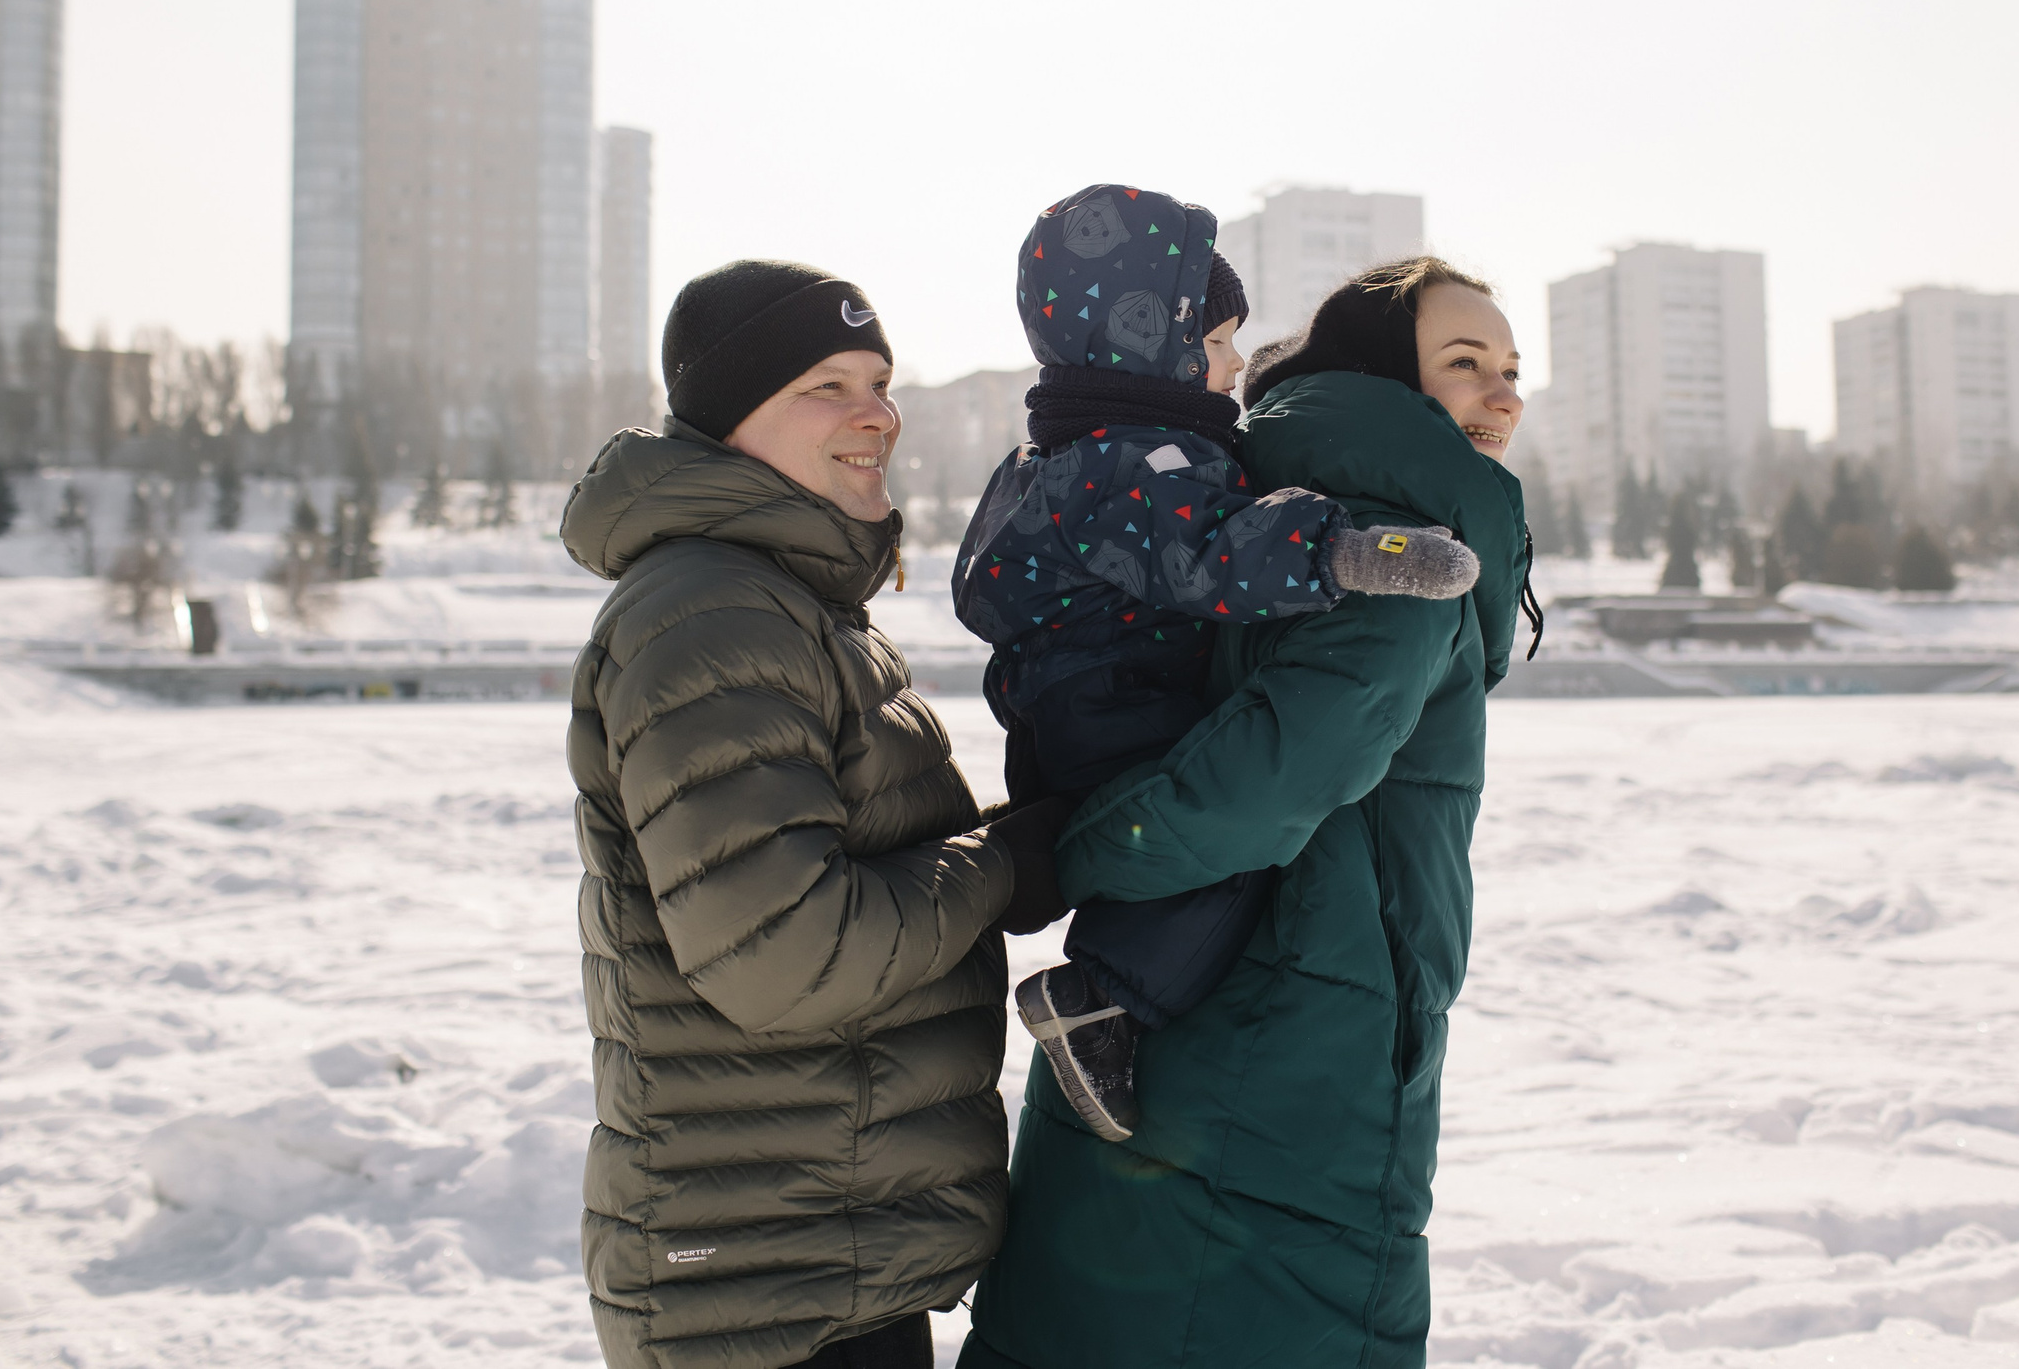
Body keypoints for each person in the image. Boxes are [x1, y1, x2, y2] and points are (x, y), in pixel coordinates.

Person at [960, 256, 1537, 1369]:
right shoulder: (1398, 546)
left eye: (1511, 369)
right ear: (1380, 380)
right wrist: (1083, 854)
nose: (1502, 394)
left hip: (1200, 1027)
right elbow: (1266, 777)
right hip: (1281, 1058)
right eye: (1462, 365)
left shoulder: (1275, 505)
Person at [561, 259, 1061, 1369]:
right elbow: (781, 951)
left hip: (808, 1247)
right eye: (823, 386)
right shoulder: (712, 613)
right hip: (765, 1284)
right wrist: (1000, 869)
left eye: (879, 380)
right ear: (731, 420)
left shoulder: (780, 602)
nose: (874, 413)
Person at [952, 183, 1481, 1143]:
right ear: (1147, 344)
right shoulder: (1140, 462)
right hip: (1121, 696)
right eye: (1219, 343)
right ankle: (1102, 996)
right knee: (1214, 844)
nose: (1235, 365)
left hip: (1059, 702)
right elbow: (1217, 551)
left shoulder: (1063, 455)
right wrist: (1348, 548)